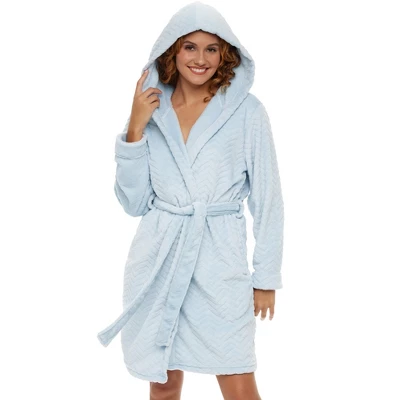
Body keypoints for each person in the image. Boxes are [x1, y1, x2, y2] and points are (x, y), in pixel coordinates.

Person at [97, 2, 284, 399]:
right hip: (159, 259)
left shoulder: (247, 112)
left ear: (225, 53)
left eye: (211, 49)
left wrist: (266, 278)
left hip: (219, 263)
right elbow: (134, 203)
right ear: (172, 51)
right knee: (163, 384)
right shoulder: (152, 110)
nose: (201, 59)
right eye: (190, 47)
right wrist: (135, 127)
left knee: (238, 381)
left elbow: (268, 199)